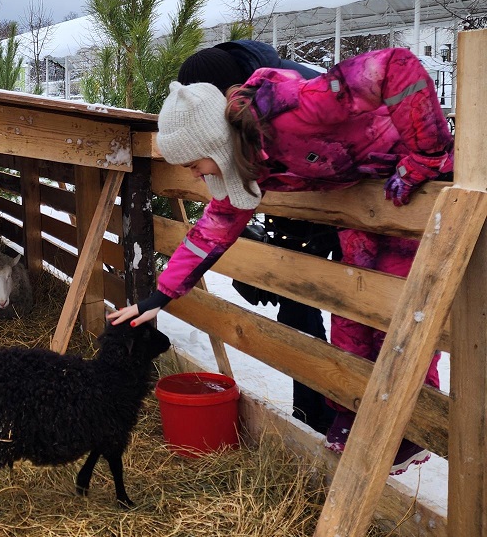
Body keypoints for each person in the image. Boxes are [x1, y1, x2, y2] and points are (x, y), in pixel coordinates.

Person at [108, 46, 453, 476]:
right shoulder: (245, 164)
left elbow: (393, 66)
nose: (196, 175)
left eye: (195, 164)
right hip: (361, 197)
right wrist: (157, 297)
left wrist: (426, 154)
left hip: (410, 186)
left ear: (214, 143)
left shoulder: (291, 109)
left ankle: (411, 427)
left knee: (393, 314)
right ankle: (351, 410)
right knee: (350, 312)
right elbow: (210, 232)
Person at [175, 40, 339, 434]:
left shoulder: (291, 93)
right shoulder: (242, 98)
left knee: (352, 311)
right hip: (298, 199)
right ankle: (315, 420)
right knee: (296, 308)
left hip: (350, 197)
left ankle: (344, 421)